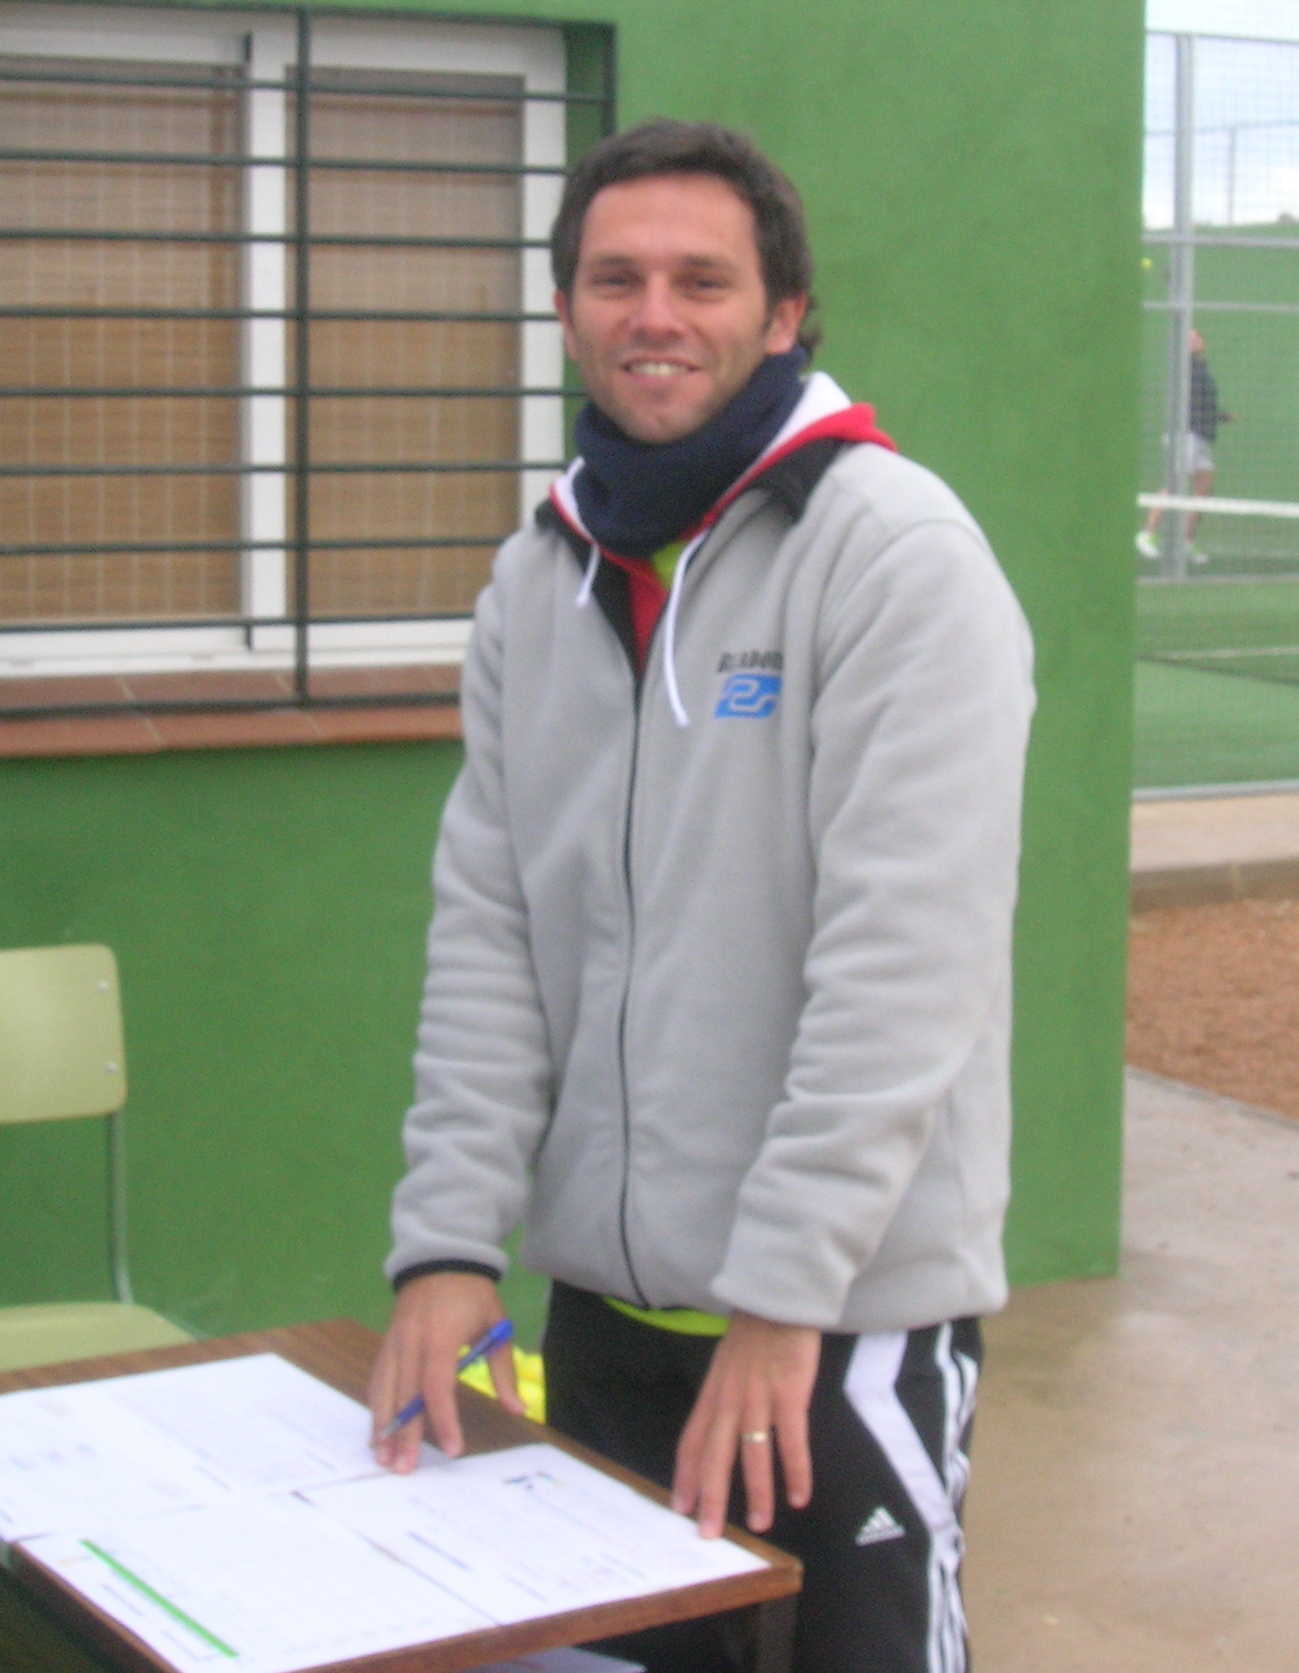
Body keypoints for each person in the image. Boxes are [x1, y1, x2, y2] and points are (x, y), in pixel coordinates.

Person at [367, 118, 1035, 1673]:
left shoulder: (895, 557)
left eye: (701, 280)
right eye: (616, 280)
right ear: (565, 312)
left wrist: (786, 1303)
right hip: (604, 1327)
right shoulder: (538, 581)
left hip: (836, 1335)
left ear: (784, 312)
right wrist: (447, 1244)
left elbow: (903, 970)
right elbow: (492, 939)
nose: (653, 314)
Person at [1137, 328, 1228, 565]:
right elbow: (1190, 402)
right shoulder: (1185, 368)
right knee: (1175, 485)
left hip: (1200, 436)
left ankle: (1185, 541)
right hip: (1184, 435)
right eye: (1190, 338)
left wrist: (1221, 416)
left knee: (1204, 487)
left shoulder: (1201, 368)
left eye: (1197, 336)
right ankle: (1147, 535)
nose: (1196, 339)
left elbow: (1204, 404)